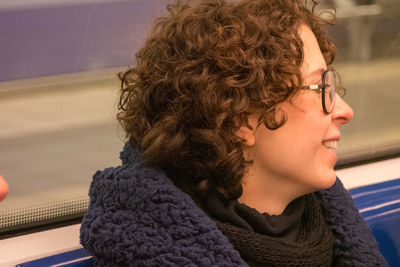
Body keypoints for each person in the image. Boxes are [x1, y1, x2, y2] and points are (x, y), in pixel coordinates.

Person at [80, 0, 387, 265]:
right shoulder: (152, 247)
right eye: (321, 88)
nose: (345, 111)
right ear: (239, 120)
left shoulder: (327, 231)